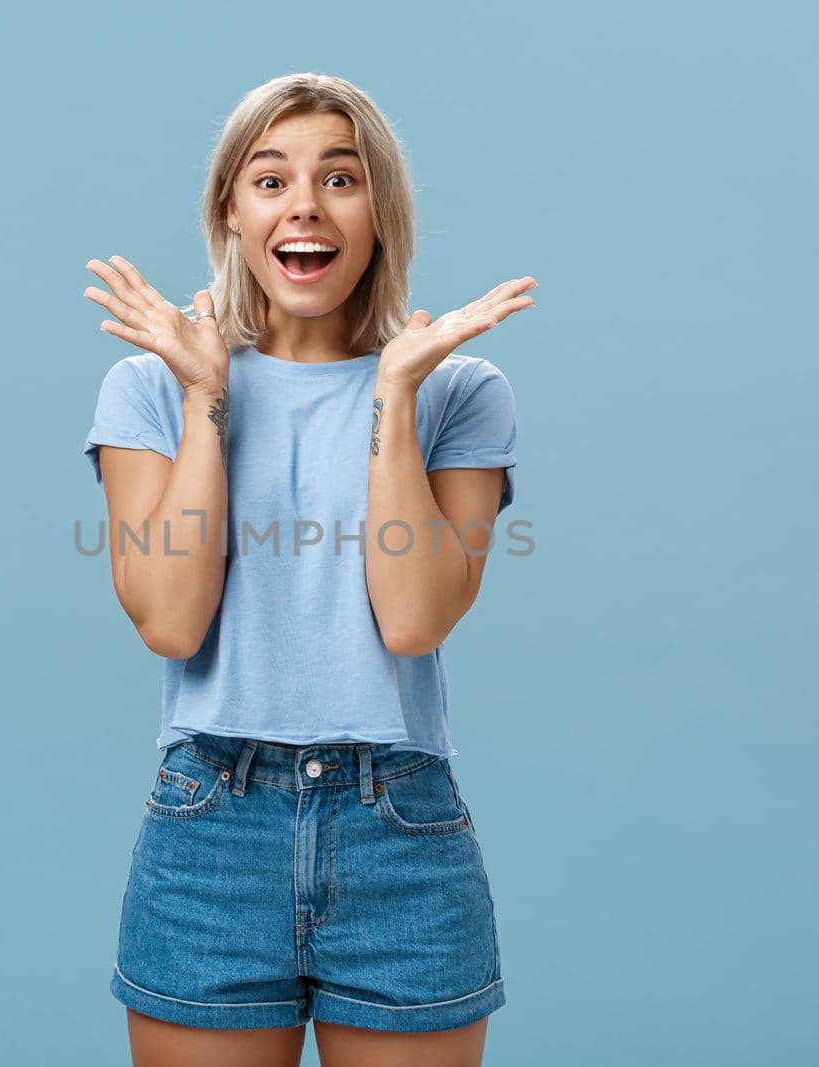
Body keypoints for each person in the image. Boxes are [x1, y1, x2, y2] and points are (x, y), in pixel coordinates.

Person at [80, 72, 534, 1067]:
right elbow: (169, 619)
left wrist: (394, 396)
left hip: (399, 831)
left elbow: (413, 618)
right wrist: (206, 394)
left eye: (340, 177)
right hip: (211, 829)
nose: (304, 206)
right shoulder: (148, 384)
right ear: (231, 213)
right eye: (270, 178)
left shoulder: (458, 389)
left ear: (379, 212)